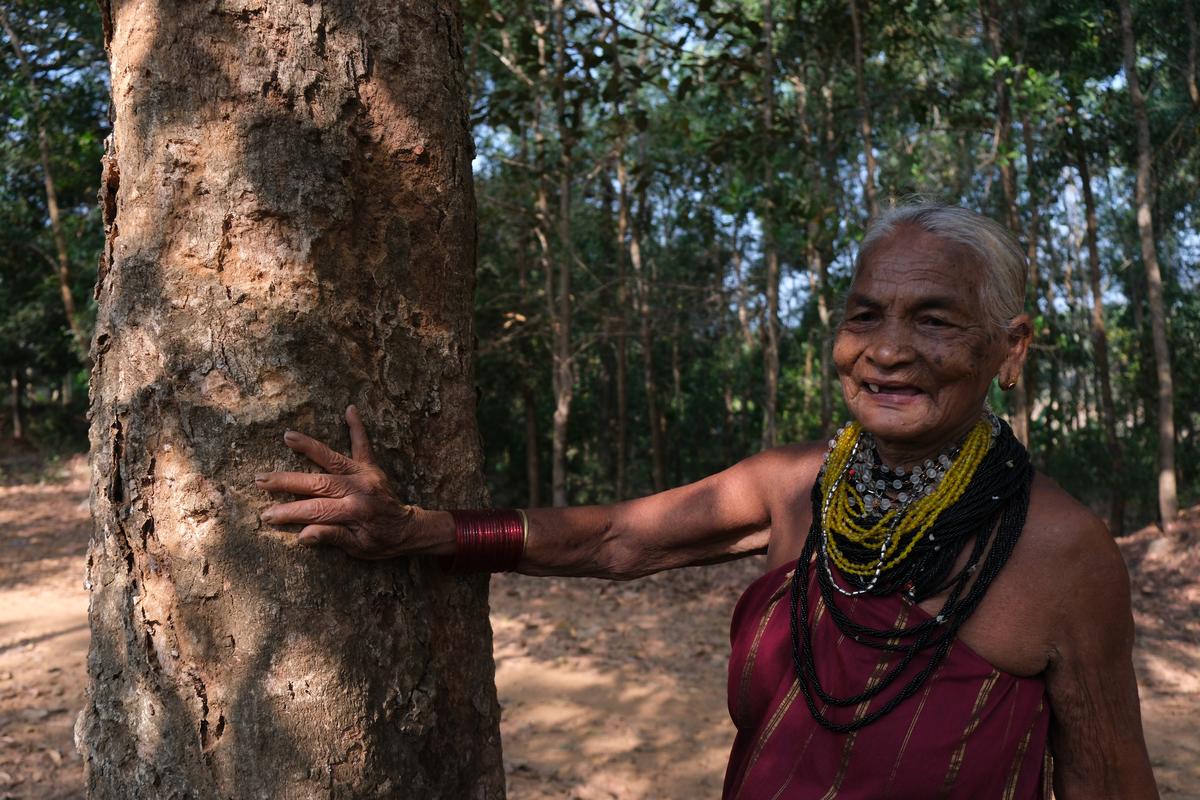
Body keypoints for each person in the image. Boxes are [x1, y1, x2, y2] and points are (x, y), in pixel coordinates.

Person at [256, 203, 1159, 798]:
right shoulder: (796, 484)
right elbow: (616, 540)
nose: (886, 350)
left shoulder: (1059, 548)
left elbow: (1109, 784)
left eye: (933, 319)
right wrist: (416, 530)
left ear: (1010, 347)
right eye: (863, 316)